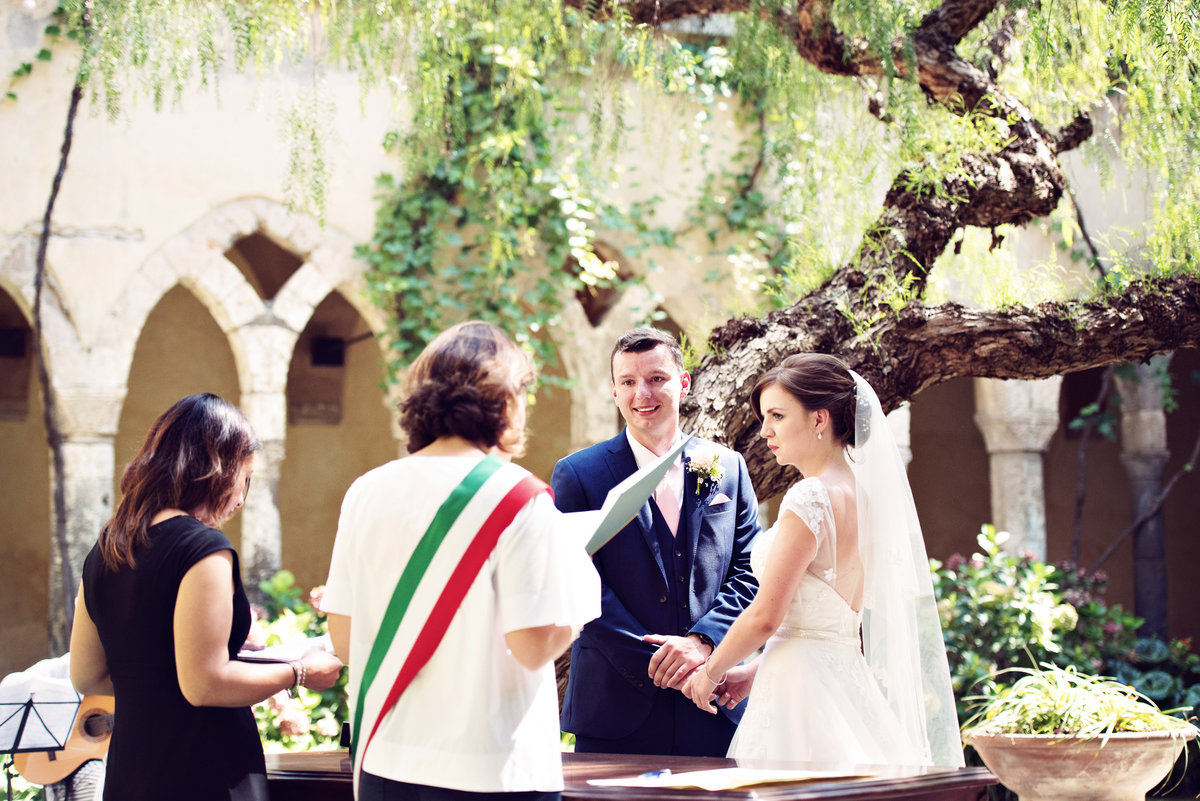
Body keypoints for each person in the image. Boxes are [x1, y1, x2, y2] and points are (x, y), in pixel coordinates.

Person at [322, 321, 600, 801]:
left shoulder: (366, 490)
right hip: (489, 769)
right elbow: (534, 646)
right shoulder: (518, 498)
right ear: (507, 403)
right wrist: (575, 609)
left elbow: (344, 641)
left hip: (384, 758)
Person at [680, 354, 964, 767]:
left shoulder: (809, 497)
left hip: (800, 696)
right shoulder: (866, 499)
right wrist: (754, 671)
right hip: (843, 681)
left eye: (777, 415)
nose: (765, 431)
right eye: (764, 417)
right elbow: (824, 623)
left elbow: (766, 616)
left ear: (819, 420)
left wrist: (711, 672)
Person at [69, 393, 344, 801]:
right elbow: (203, 684)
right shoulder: (203, 548)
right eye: (245, 477)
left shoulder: (108, 547)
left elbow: (87, 675)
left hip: (132, 770)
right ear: (218, 469)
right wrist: (300, 671)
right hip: (203, 770)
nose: (241, 496)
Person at [550, 327, 760, 757]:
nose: (641, 393)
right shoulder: (578, 474)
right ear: (613, 391)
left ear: (683, 383)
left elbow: (751, 570)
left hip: (714, 700)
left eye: (656, 378)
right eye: (627, 381)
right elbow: (574, 579)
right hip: (614, 705)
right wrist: (661, 661)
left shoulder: (729, 467)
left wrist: (703, 644)